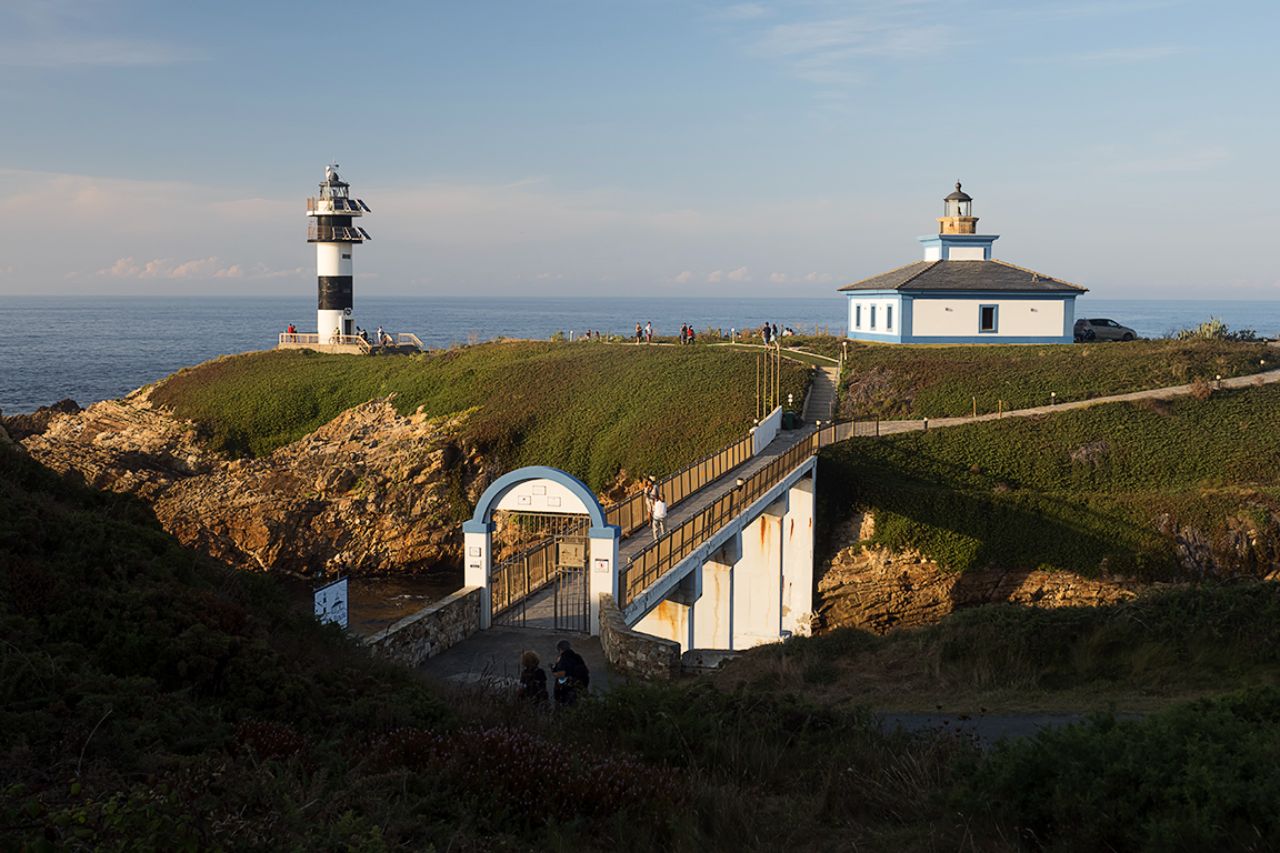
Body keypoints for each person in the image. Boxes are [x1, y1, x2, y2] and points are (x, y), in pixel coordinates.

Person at [552, 639, 590, 705]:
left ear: (560, 649)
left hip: (567, 693)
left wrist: (554, 669)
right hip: (581, 689)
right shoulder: (578, 657)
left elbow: (560, 677)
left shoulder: (562, 660)